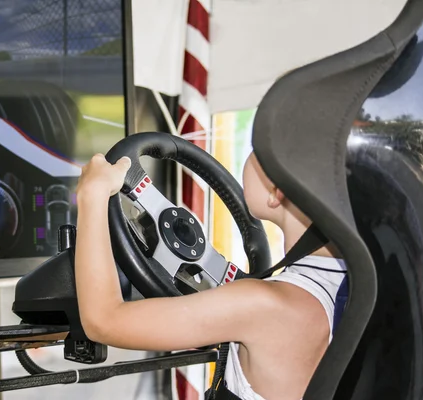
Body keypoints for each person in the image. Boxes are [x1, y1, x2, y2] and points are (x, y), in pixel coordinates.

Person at [74, 150, 347, 400]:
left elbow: (103, 321)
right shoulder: (354, 283)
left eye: (259, 151)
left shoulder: (262, 304)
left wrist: (93, 194)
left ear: (275, 191)